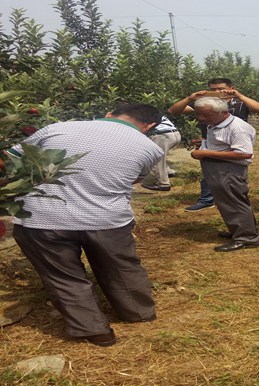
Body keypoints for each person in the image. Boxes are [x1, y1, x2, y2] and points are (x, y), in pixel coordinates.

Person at [8, 103, 164, 346]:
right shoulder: (150, 148)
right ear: (150, 126)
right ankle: (138, 313)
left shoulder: (55, 129)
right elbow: (133, 179)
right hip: (106, 219)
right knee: (121, 267)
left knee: (63, 275)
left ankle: (94, 331)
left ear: (109, 113)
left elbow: (10, 160)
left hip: (44, 216)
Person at [168, 78, 259, 211]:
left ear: (231, 87)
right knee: (209, 170)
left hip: (235, 141)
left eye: (220, 88)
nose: (217, 91)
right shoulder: (205, 103)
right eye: (213, 89)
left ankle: (234, 198)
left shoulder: (239, 103)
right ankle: (207, 199)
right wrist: (189, 98)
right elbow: (174, 110)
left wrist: (239, 95)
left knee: (234, 170)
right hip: (210, 141)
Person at [190, 97, 259, 252]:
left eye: (206, 115)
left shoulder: (237, 128)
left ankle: (246, 238)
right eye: (198, 114)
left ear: (224, 112)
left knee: (234, 202)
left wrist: (206, 152)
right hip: (218, 168)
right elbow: (223, 144)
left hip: (228, 170)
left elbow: (244, 153)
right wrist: (203, 144)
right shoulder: (215, 123)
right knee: (227, 202)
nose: (201, 118)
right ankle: (240, 230)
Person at [141, 115, 181, 191]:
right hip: (175, 134)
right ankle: (169, 172)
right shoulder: (150, 110)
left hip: (162, 136)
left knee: (156, 159)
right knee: (161, 156)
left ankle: (163, 183)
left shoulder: (134, 114)